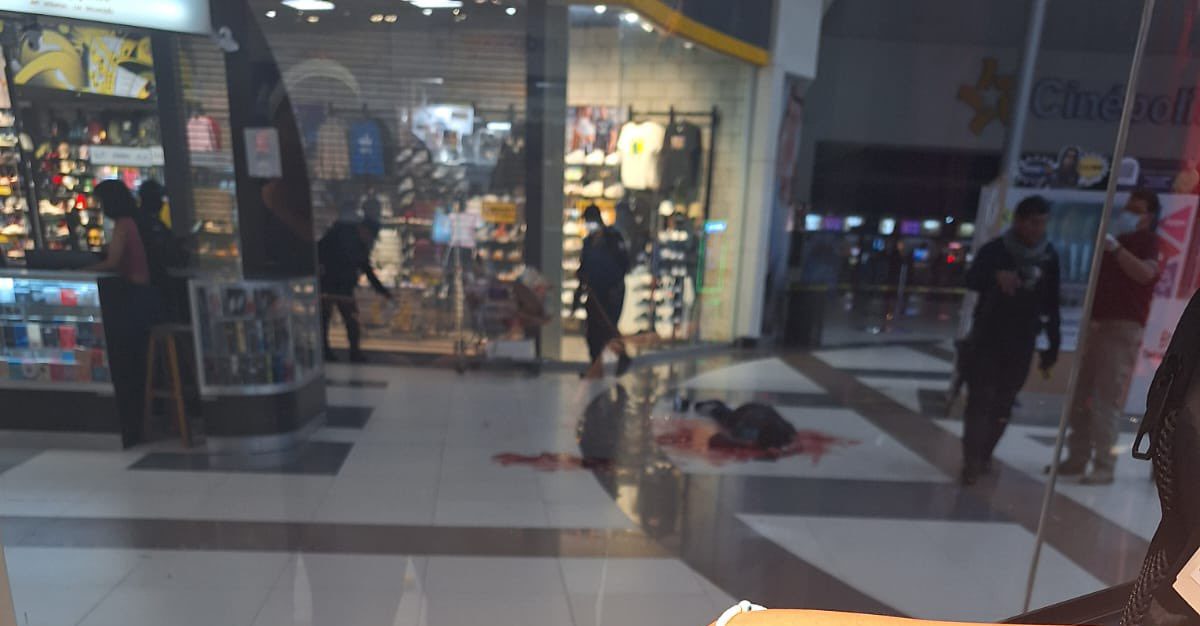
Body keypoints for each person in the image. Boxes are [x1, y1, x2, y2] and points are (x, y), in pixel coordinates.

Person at [1057, 190, 1160, 485]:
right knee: (1080, 397)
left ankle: (1104, 464)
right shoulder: (1114, 241)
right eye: (1128, 207)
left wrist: (1117, 250)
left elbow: (1146, 274)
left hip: (1122, 329)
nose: (1129, 213)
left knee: (1106, 399)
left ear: (1149, 216)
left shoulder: (1147, 243)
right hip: (1096, 326)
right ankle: (1077, 457)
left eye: (1136, 209)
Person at [960, 195, 1061, 485]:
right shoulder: (995, 251)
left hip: (1022, 340)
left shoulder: (1048, 256)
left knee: (1003, 404)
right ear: (1019, 221)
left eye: (1042, 223)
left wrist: (1052, 345)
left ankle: (985, 454)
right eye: (1033, 223)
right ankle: (971, 460)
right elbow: (971, 279)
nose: (1038, 229)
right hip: (987, 338)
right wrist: (996, 277)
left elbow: (1051, 302)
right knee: (980, 400)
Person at [87, 180, 157, 445]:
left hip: (135, 300)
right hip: (143, 299)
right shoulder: (133, 222)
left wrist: (78, 271)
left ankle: (132, 423)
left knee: (126, 360)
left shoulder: (123, 225)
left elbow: (113, 262)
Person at [318, 217, 391, 362]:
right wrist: (382, 291)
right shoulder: (344, 240)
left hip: (336, 287)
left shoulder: (354, 242)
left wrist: (382, 290)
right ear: (363, 230)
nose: (370, 239)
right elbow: (366, 269)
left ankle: (348, 352)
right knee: (335, 320)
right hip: (333, 287)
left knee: (345, 321)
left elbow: (366, 269)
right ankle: (340, 352)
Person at [573, 204, 632, 375]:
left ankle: (612, 367)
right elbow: (583, 268)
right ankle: (595, 367)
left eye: (589, 221)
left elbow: (624, 264)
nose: (587, 225)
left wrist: (615, 287)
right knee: (593, 334)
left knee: (609, 332)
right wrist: (579, 292)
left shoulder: (613, 238)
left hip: (612, 294)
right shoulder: (588, 242)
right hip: (594, 295)